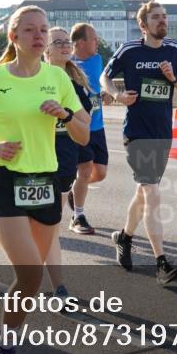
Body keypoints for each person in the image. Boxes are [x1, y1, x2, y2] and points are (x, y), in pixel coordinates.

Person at [0, 5, 89, 354]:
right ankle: (7, 352)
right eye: (29, 29)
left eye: (43, 29)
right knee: (29, 272)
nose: (38, 35)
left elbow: (82, 135)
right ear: (14, 37)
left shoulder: (57, 78)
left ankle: (6, 342)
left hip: (45, 183)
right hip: (5, 181)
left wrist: (64, 114)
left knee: (32, 284)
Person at [101, 1, 177, 286]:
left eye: (164, 16)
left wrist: (172, 78)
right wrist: (117, 96)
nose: (162, 21)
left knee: (144, 192)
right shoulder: (130, 50)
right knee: (152, 192)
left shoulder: (175, 50)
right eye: (156, 17)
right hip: (137, 133)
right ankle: (161, 262)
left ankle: (124, 237)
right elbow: (105, 77)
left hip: (162, 133)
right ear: (143, 24)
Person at [44, 27, 94, 300]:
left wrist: (64, 114)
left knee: (52, 222)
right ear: (46, 50)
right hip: (30, 159)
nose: (64, 46)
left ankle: (57, 285)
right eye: (58, 42)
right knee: (36, 225)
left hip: (64, 154)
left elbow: (85, 118)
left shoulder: (72, 81)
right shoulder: (30, 77)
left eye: (67, 42)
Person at [69, 23, 113, 235]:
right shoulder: (67, 65)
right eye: (94, 39)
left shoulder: (97, 59)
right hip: (79, 127)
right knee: (85, 170)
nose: (98, 42)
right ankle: (78, 216)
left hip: (98, 127)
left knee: (100, 173)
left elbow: (100, 83)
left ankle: (76, 189)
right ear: (80, 43)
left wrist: (106, 93)